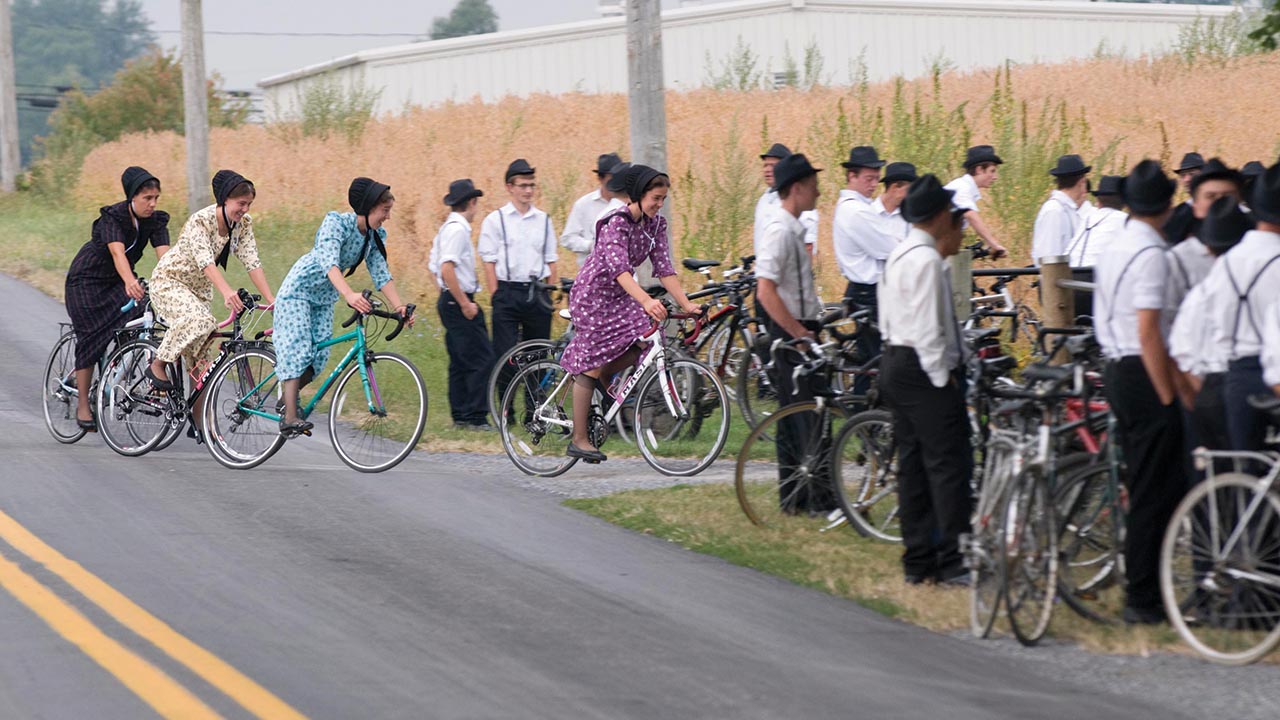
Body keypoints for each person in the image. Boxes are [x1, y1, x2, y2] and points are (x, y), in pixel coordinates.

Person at [558, 165, 699, 463]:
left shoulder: (655, 225)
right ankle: (579, 439)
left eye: (663, 199)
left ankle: (603, 377)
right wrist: (647, 301)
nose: (659, 205)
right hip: (594, 295)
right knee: (590, 363)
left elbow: (665, 269)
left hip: (621, 295)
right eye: (655, 198)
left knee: (645, 340)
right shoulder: (615, 223)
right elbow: (619, 269)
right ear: (638, 194)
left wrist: (687, 305)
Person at [1093, 159, 1183, 625]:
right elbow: (1149, 329)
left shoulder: (1117, 244)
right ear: (1168, 205)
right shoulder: (1152, 254)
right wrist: (1168, 394)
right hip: (1141, 369)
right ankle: (1144, 596)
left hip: (1115, 365)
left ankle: (1143, 587)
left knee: (1140, 480)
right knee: (1154, 487)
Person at [878, 174, 972, 586]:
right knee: (948, 465)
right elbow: (931, 329)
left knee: (913, 466)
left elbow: (890, 316)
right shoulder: (928, 260)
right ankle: (953, 560)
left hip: (895, 359)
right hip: (922, 367)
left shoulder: (900, 253)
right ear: (937, 216)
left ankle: (919, 560)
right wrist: (943, 380)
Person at [272, 177, 413, 436]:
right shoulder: (336, 223)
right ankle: (290, 416)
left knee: (319, 356)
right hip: (299, 291)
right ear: (369, 207)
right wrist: (349, 294)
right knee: (300, 348)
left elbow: (381, 273)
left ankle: (286, 398)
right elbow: (329, 262)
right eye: (385, 210)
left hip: (325, 296)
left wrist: (399, 306)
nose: (388, 217)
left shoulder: (374, 236)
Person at [147, 170, 275, 396]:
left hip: (199, 291)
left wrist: (271, 299)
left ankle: (200, 428)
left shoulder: (242, 223)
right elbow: (205, 261)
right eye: (241, 203)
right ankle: (158, 364)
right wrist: (226, 291)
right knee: (200, 321)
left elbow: (252, 261)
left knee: (202, 370)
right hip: (170, 282)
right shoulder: (201, 221)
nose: (245, 209)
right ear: (225, 199)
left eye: (249, 204)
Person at [63, 166, 170, 430]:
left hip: (118, 282)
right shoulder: (113, 217)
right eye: (147, 198)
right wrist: (130, 281)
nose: (152, 204)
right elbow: (117, 254)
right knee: (90, 336)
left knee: (145, 313)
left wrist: (174, 280)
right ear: (132, 196)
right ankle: (83, 406)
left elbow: (166, 257)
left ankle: (117, 366)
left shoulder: (155, 221)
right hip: (86, 281)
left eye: (156, 198)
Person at [754, 153, 832, 514]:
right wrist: (799, 332)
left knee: (794, 415)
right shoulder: (780, 230)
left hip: (801, 325)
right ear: (797, 188)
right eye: (813, 186)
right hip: (790, 330)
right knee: (807, 416)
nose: (818, 192)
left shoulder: (794, 228)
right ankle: (816, 499)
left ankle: (794, 499)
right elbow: (765, 290)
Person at [1200, 161, 1280, 451]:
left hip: (1234, 374)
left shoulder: (1227, 261)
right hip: (1273, 375)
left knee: (1245, 467)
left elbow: (1211, 317)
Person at [1170, 197, 1253, 460]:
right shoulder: (1256, 284)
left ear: (1208, 246)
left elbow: (1181, 354)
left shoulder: (1202, 293)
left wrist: (1200, 396)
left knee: (1217, 472)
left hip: (1209, 387)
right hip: (1247, 381)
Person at [834, 160, 915, 398]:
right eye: (868, 178)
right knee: (876, 358)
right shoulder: (859, 211)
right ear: (852, 176)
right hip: (869, 290)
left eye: (875, 178)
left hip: (880, 289)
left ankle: (869, 413)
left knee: (874, 357)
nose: (873, 184)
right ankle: (868, 412)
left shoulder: (864, 209)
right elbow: (890, 250)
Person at [479, 159, 560, 370]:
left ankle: (536, 403)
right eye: (523, 185)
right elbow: (489, 261)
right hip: (508, 291)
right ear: (510, 187)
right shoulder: (496, 220)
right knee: (505, 355)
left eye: (531, 185)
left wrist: (549, 294)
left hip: (537, 291)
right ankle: (505, 403)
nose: (528, 190)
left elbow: (551, 260)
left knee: (539, 356)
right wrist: (497, 293)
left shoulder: (543, 220)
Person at [430, 178, 496, 431]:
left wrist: (445, 294)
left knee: (459, 360)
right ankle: (475, 416)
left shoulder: (446, 229)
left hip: (448, 300)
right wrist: (463, 302)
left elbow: (433, 266)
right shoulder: (458, 231)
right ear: (471, 202)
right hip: (459, 301)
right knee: (482, 358)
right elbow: (447, 268)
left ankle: (460, 414)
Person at [1166, 158, 1242, 312]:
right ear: (1195, 205)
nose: (1220, 203)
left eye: (1227, 195)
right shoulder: (1178, 259)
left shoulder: (1255, 249)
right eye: (1211, 196)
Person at [754, 143, 819, 259]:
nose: (767, 170)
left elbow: (807, 245)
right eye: (765, 165)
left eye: (773, 165)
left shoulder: (800, 202)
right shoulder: (764, 199)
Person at [944, 145, 1008, 259]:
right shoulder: (962, 187)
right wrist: (994, 245)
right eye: (992, 171)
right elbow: (970, 215)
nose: (995, 177)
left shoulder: (964, 187)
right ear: (979, 170)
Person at [560, 153, 625, 266]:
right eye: (611, 179)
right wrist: (590, 246)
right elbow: (567, 238)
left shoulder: (628, 205)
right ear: (600, 179)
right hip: (591, 273)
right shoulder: (583, 205)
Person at [1030, 154, 1090, 265]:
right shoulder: (1054, 211)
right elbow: (1049, 257)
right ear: (1082, 182)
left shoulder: (1067, 210)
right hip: (1056, 278)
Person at [1066, 175, 1127, 269]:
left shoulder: (1088, 218)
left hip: (1068, 271)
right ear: (1125, 202)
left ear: (1098, 200)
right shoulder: (1123, 220)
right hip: (1091, 275)